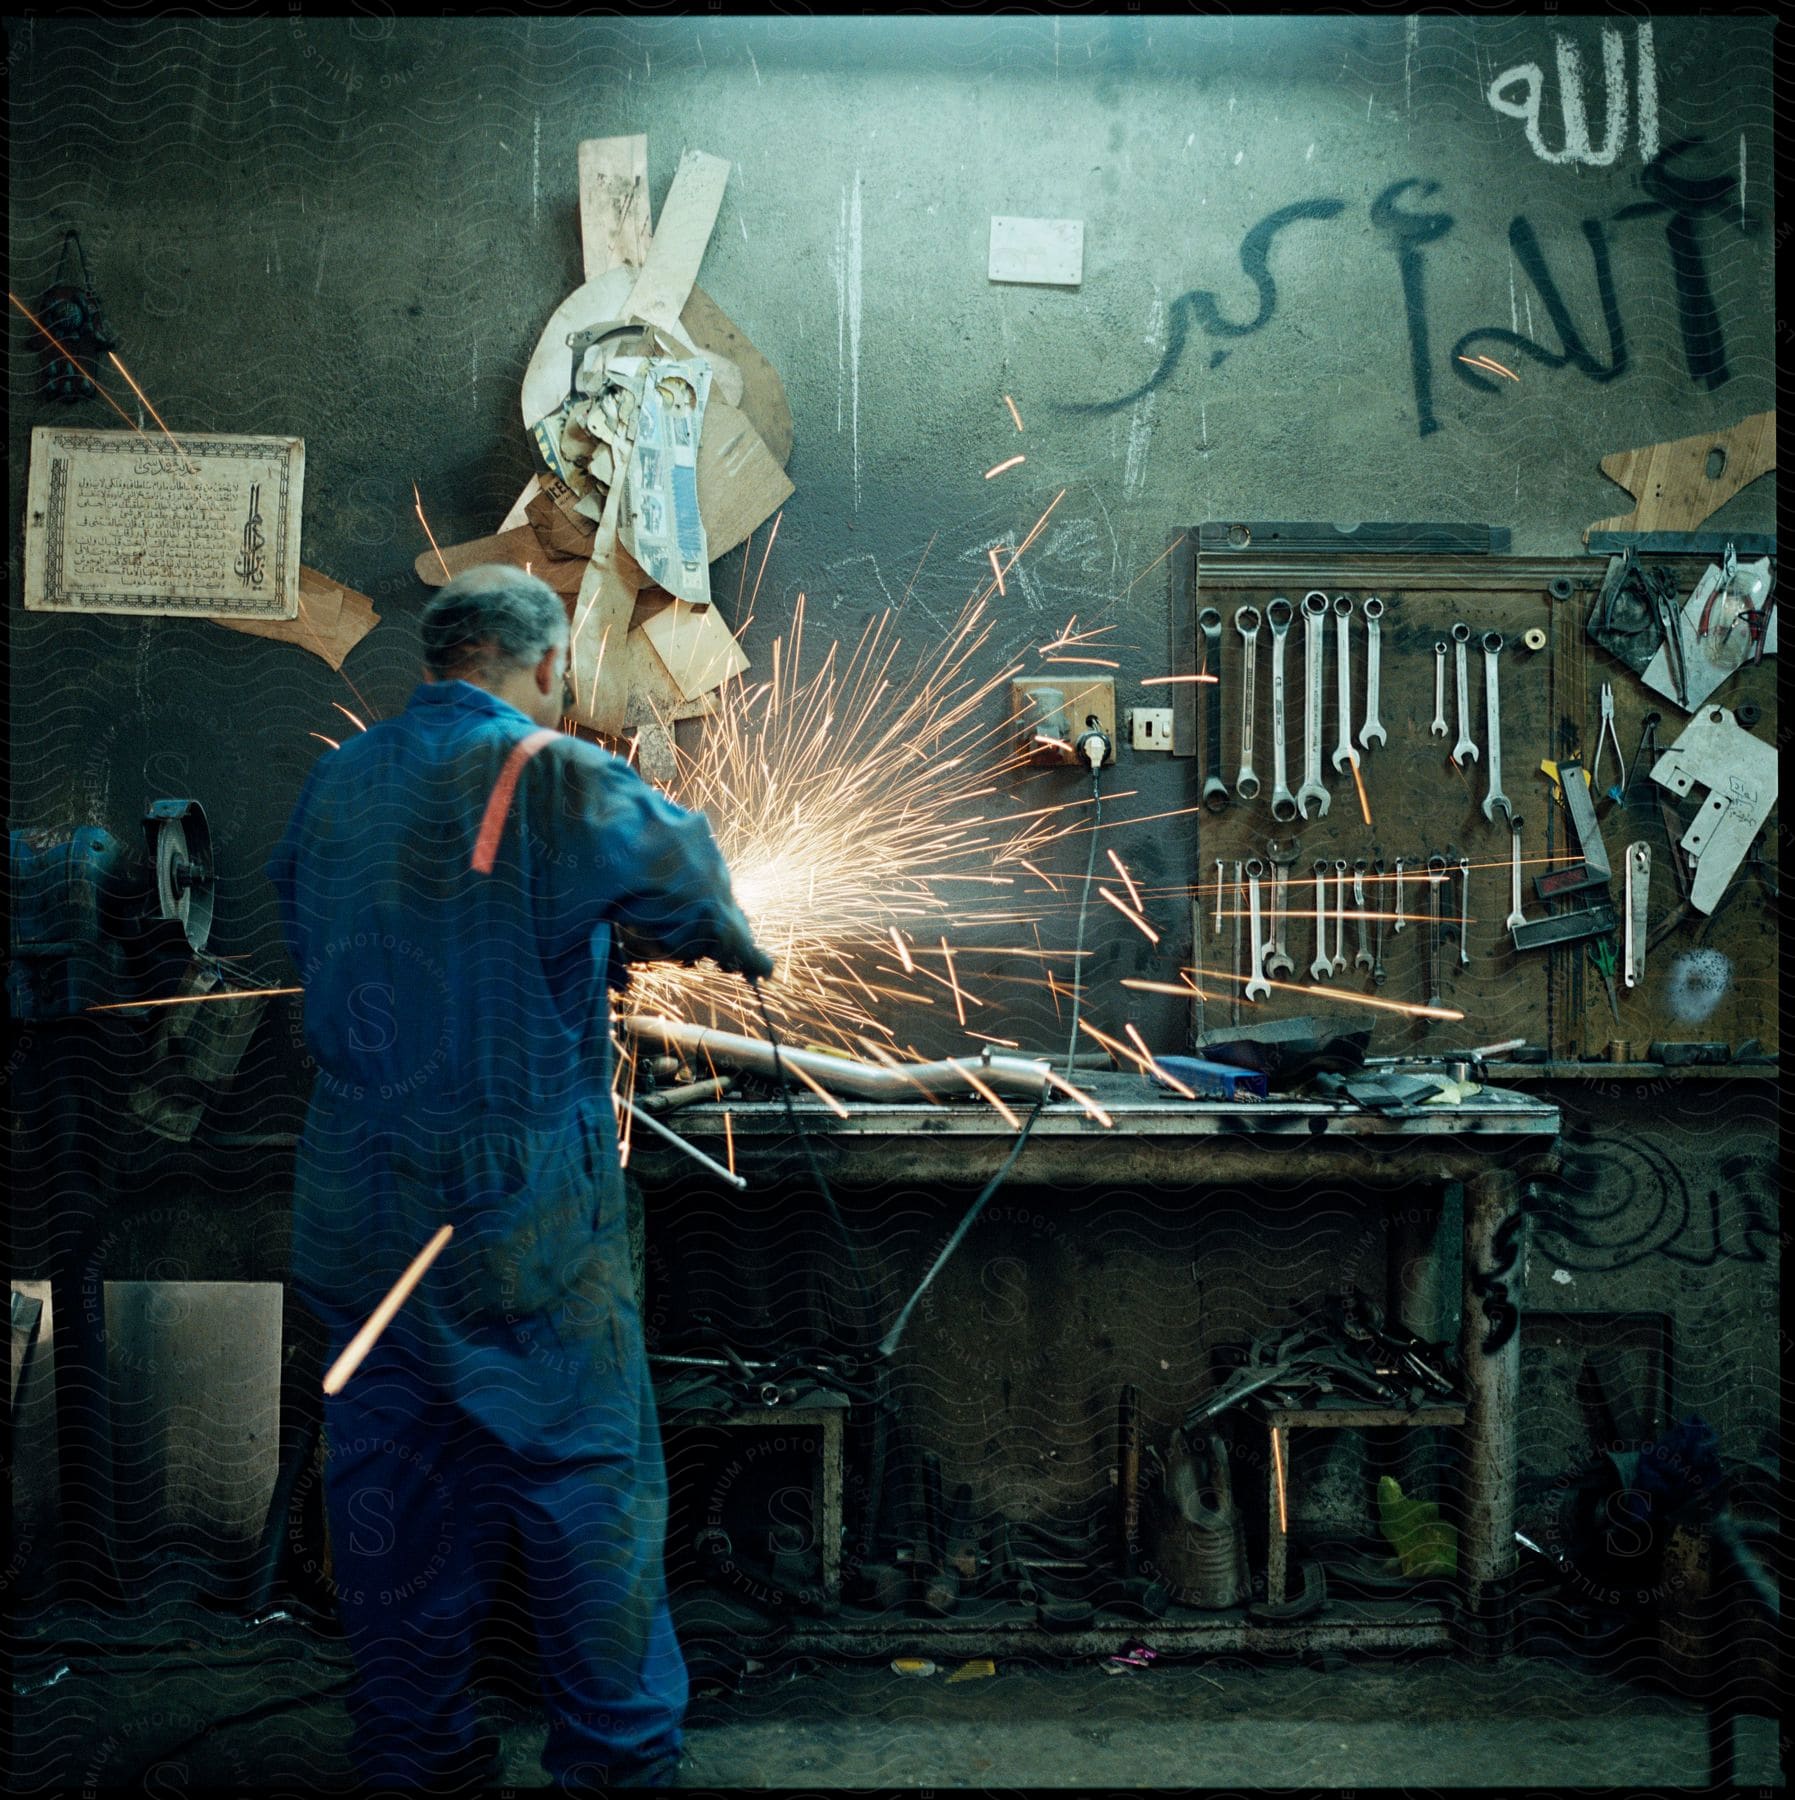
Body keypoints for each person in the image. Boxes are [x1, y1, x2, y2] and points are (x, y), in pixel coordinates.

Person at [268, 565, 771, 1791]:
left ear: (437, 658)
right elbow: (698, 894)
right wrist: (712, 941)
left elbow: (317, 924)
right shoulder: (550, 770)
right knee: (578, 1475)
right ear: (547, 666)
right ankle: (611, 1762)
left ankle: (417, 1760)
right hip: (508, 1205)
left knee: (395, 1483)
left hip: (350, 1190)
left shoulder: (339, 778)